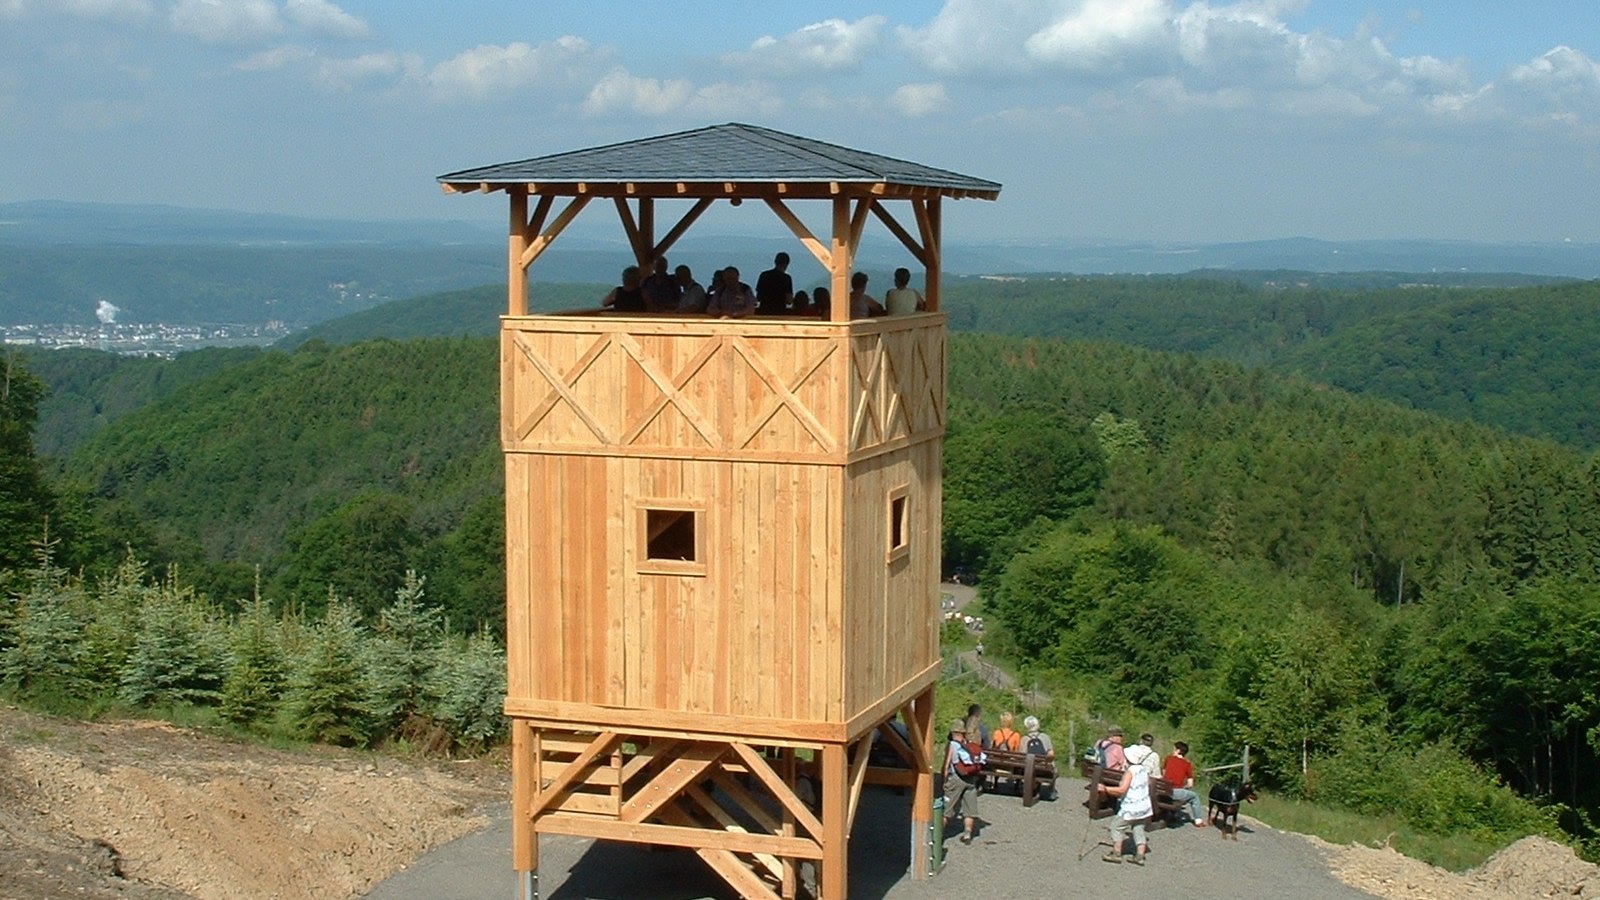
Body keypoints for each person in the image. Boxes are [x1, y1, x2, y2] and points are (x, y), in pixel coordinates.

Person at [1097, 742, 1156, 865]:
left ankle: (1116, 853)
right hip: (1144, 806)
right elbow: (1149, 783)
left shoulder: (1130, 772)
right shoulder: (1144, 770)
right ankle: (1140, 856)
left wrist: (1106, 789)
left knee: (1116, 827)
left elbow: (1122, 790)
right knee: (1138, 828)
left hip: (1131, 807)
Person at [942, 719, 985, 845]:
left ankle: (938, 835)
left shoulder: (952, 745)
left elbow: (947, 764)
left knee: (947, 809)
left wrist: (944, 780)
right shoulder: (968, 744)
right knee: (969, 808)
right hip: (970, 779)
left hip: (956, 778)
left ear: (953, 732)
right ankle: (967, 834)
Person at [1163, 740, 1207, 827]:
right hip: (1175, 791)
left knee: (1178, 794)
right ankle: (1198, 820)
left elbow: (1164, 773)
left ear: (1178, 750)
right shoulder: (1187, 764)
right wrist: (1184, 787)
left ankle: (1173, 815)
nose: (1173, 751)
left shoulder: (1168, 759)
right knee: (1194, 796)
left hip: (1164, 790)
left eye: (1174, 749)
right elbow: (1190, 784)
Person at [755, 251, 793, 315]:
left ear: (775, 261)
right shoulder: (786, 278)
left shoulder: (764, 275)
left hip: (764, 311)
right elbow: (789, 301)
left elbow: (758, 297)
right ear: (787, 264)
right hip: (779, 312)